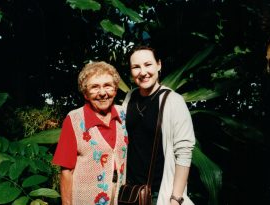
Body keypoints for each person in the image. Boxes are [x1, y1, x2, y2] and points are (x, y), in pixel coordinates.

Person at [122, 45, 196, 205]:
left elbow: (184, 151)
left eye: (148, 64)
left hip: (158, 193)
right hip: (129, 191)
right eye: (136, 67)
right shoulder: (130, 98)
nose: (143, 72)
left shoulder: (173, 101)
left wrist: (176, 198)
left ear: (159, 65)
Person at [52, 61, 128, 205]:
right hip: (85, 197)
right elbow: (66, 171)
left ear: (115, 89)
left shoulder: (123, 115)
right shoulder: (74, 119)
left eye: (107, 85)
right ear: (86, 93)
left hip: (120, 196)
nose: (102, 93)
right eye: (94, 87)